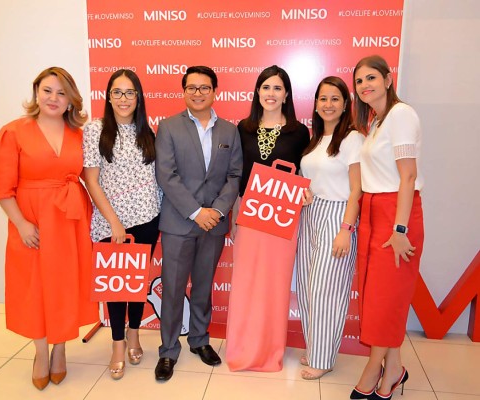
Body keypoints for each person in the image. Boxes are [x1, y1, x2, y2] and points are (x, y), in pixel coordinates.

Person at [0, 67, 98, 390]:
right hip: (31, 221)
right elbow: (1, 187)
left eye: (62, 93)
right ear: (36, 92)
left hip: (70, 220)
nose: (54, 98)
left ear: (71, 101)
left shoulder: (81, 134)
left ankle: (61, 348)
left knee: (65, 283)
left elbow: (90, 178)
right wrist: (21, 223)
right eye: (48, 90)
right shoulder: (13, 132)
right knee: (34, 285)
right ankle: (40, 351)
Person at [154, 65, 243, 381]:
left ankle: (199, 340)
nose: (198, 92)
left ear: (214, 91)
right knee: (174, 289)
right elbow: (166, 175)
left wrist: (216, 211)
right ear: (184, 91)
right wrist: (196, 212)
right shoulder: (167, 127)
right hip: (179, 222)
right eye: (191, 87)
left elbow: (234, 176)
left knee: (204, 287)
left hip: (214, 224)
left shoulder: (229, 131)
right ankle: (167, 351)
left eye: (204, 87)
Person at [225, 65, 311, 372]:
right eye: (265, 87)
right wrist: (233, 212)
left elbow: (304, 173)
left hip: (284, 217)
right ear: (257, 92)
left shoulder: (300, 132)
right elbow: (236, 174)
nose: (271, 94)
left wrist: (306, 191)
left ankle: (271, 351)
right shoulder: (243, 128)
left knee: (275, 285)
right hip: (250, 214)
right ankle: (242, 348)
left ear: (286, 93)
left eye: (277, 88)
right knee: (247, 283)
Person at [350, 55, 424, 399]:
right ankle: (394, 368)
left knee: (384, 298)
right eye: (360, 81)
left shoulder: (401, 114)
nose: (365, 85)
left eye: (371, 78)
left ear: (388, 79)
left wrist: (401, 229)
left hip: (397, 215)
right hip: (374, 212)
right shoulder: (377, 121)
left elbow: (407, 175)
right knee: (379, 297)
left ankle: (374, 369)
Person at [82, 69, 161, 380]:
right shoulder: (95, 130)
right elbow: (91, 180)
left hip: (147, 219)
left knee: (136, 285)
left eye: (130, 92)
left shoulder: (148, 132)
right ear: (109, 96)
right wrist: (115, 223)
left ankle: (134, 334)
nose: (124, 98)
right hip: (110, 224)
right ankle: (117, 345)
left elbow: (153, 179)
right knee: (116, 288)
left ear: (138, 97)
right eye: (117, 92)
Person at [295, 76, 364, 380]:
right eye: (323, 98)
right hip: (311, 214)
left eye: (335, 98)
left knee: (326, 290)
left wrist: (346, 229)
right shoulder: (315, 140)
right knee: (310, 289)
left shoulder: (352, 139)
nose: (328, 104)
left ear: (346, 104)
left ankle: (324, 359)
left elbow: (357, 190)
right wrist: (304, 192)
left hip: (338, 216)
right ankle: (315, 349)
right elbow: (309, 177)